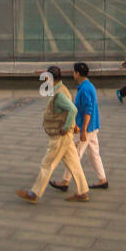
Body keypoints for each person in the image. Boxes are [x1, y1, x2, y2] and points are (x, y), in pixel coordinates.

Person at [17, 66, 90, 204]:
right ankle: (83, 192)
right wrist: (73, 126)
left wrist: (68, 126)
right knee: (74, 164)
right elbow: (69, 110)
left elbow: (72, 109)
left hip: (60, 137)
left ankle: (34, 193)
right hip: (65, 137)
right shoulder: (61, 90)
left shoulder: (59, 94)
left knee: (47, 164)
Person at [49, 62, 108, 192]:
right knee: (94, 154)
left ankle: (65, 181)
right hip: (92, 127)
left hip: (87, 128)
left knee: (74, 155)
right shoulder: (87, 86)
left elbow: (88, 110)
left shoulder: (85, 89)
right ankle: (102, 179)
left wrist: (83, 130)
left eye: (74, 72)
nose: (73, 74)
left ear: (78, 74)